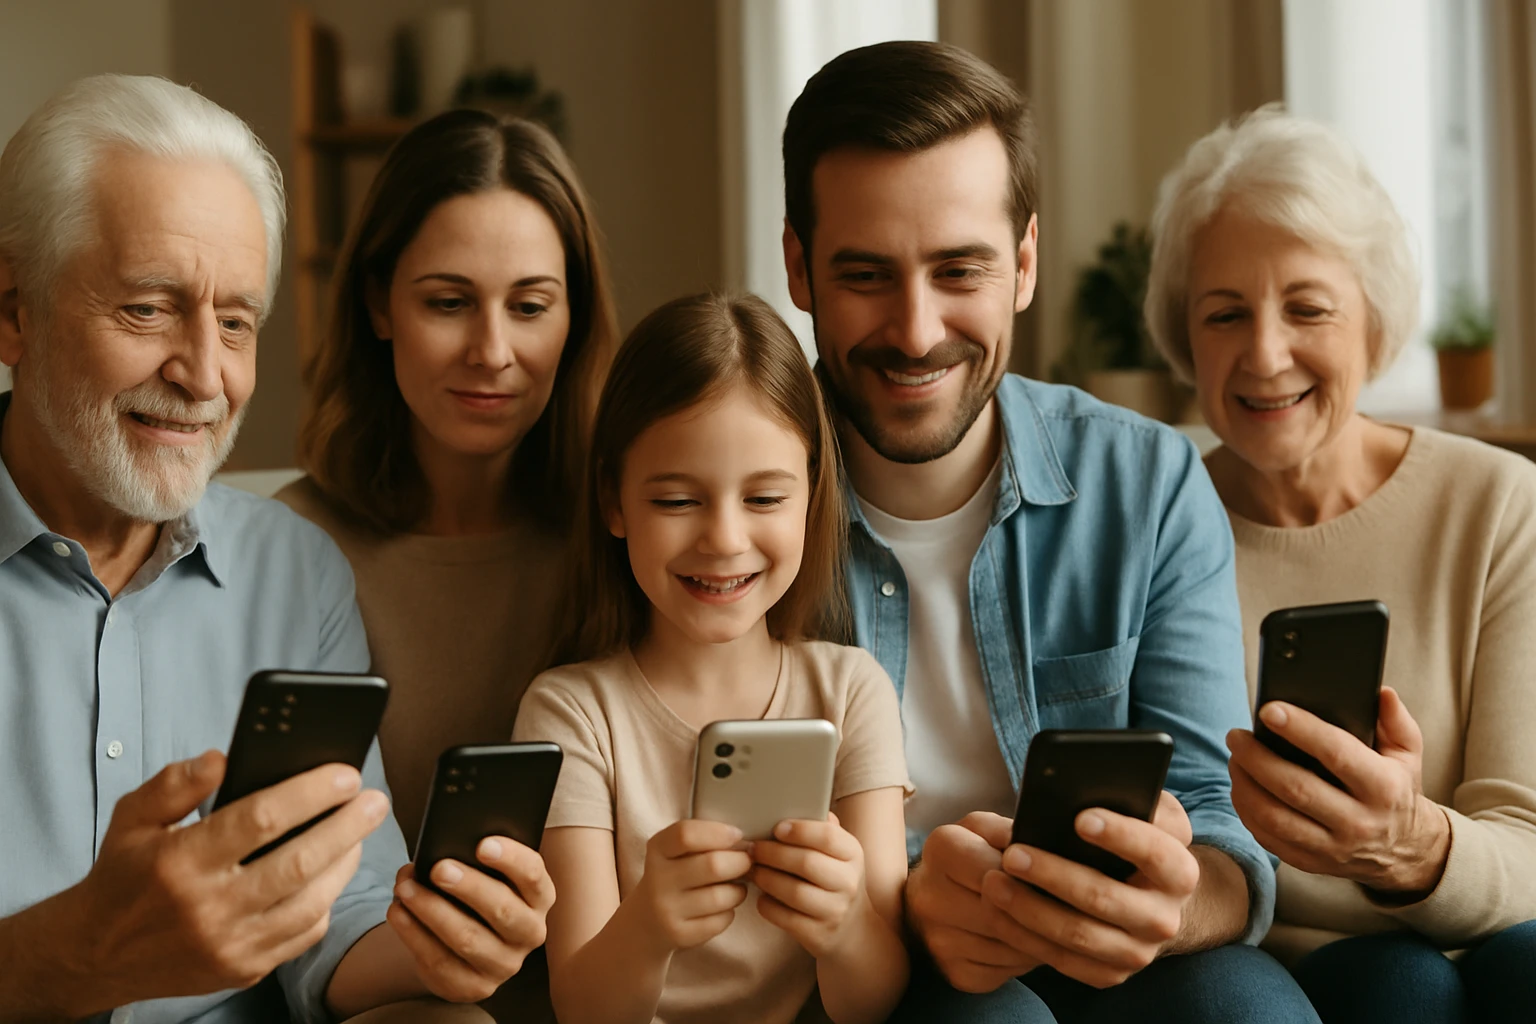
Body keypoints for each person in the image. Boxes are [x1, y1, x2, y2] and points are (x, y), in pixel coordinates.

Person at [780, 42, 1319, 1023]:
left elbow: (1222, 826)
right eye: (865, 274)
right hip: (861, 964)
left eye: (959, 270)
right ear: (798, 267)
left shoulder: (1145, 482)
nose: (914, 329)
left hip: (1127, 951)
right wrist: (904, 909)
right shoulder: (735, 506)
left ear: (1023, 264)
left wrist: (1167, 898)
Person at [0, 75, 545, 1022]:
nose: (205, 374)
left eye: (238, 322)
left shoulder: (297, 572)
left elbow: (338, 921)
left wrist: (436, 946)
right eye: (147, 309)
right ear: (12, 311)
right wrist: (77, 954)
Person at [1144, 106, 1536, 1024]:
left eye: (1307, 308)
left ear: (1373, 322)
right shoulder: (1157, 526)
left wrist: (1407, 844)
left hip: (1475, 934)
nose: (1265, 354)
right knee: (1401, 987)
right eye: (1224, 314)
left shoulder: (1497, 504)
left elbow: (1526, 843)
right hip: (1259, 962)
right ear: (1185, 338)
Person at [513, 292, 911, 1024]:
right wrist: (648, 927)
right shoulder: (571, 711)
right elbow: (582, 1009)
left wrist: (846, 925)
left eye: (764, 499)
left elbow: (876, 1001)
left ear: (812, 496)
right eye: (676, 501)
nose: (725, 539)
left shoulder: (853, 692)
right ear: (615, 501)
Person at [277, 109, 617, 851]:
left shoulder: (628, 533)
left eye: (529, 307)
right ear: (379, 303)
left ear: (575, 317)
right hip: (368, 963)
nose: (491, 351)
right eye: (449, 303)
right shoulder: (290, 549)